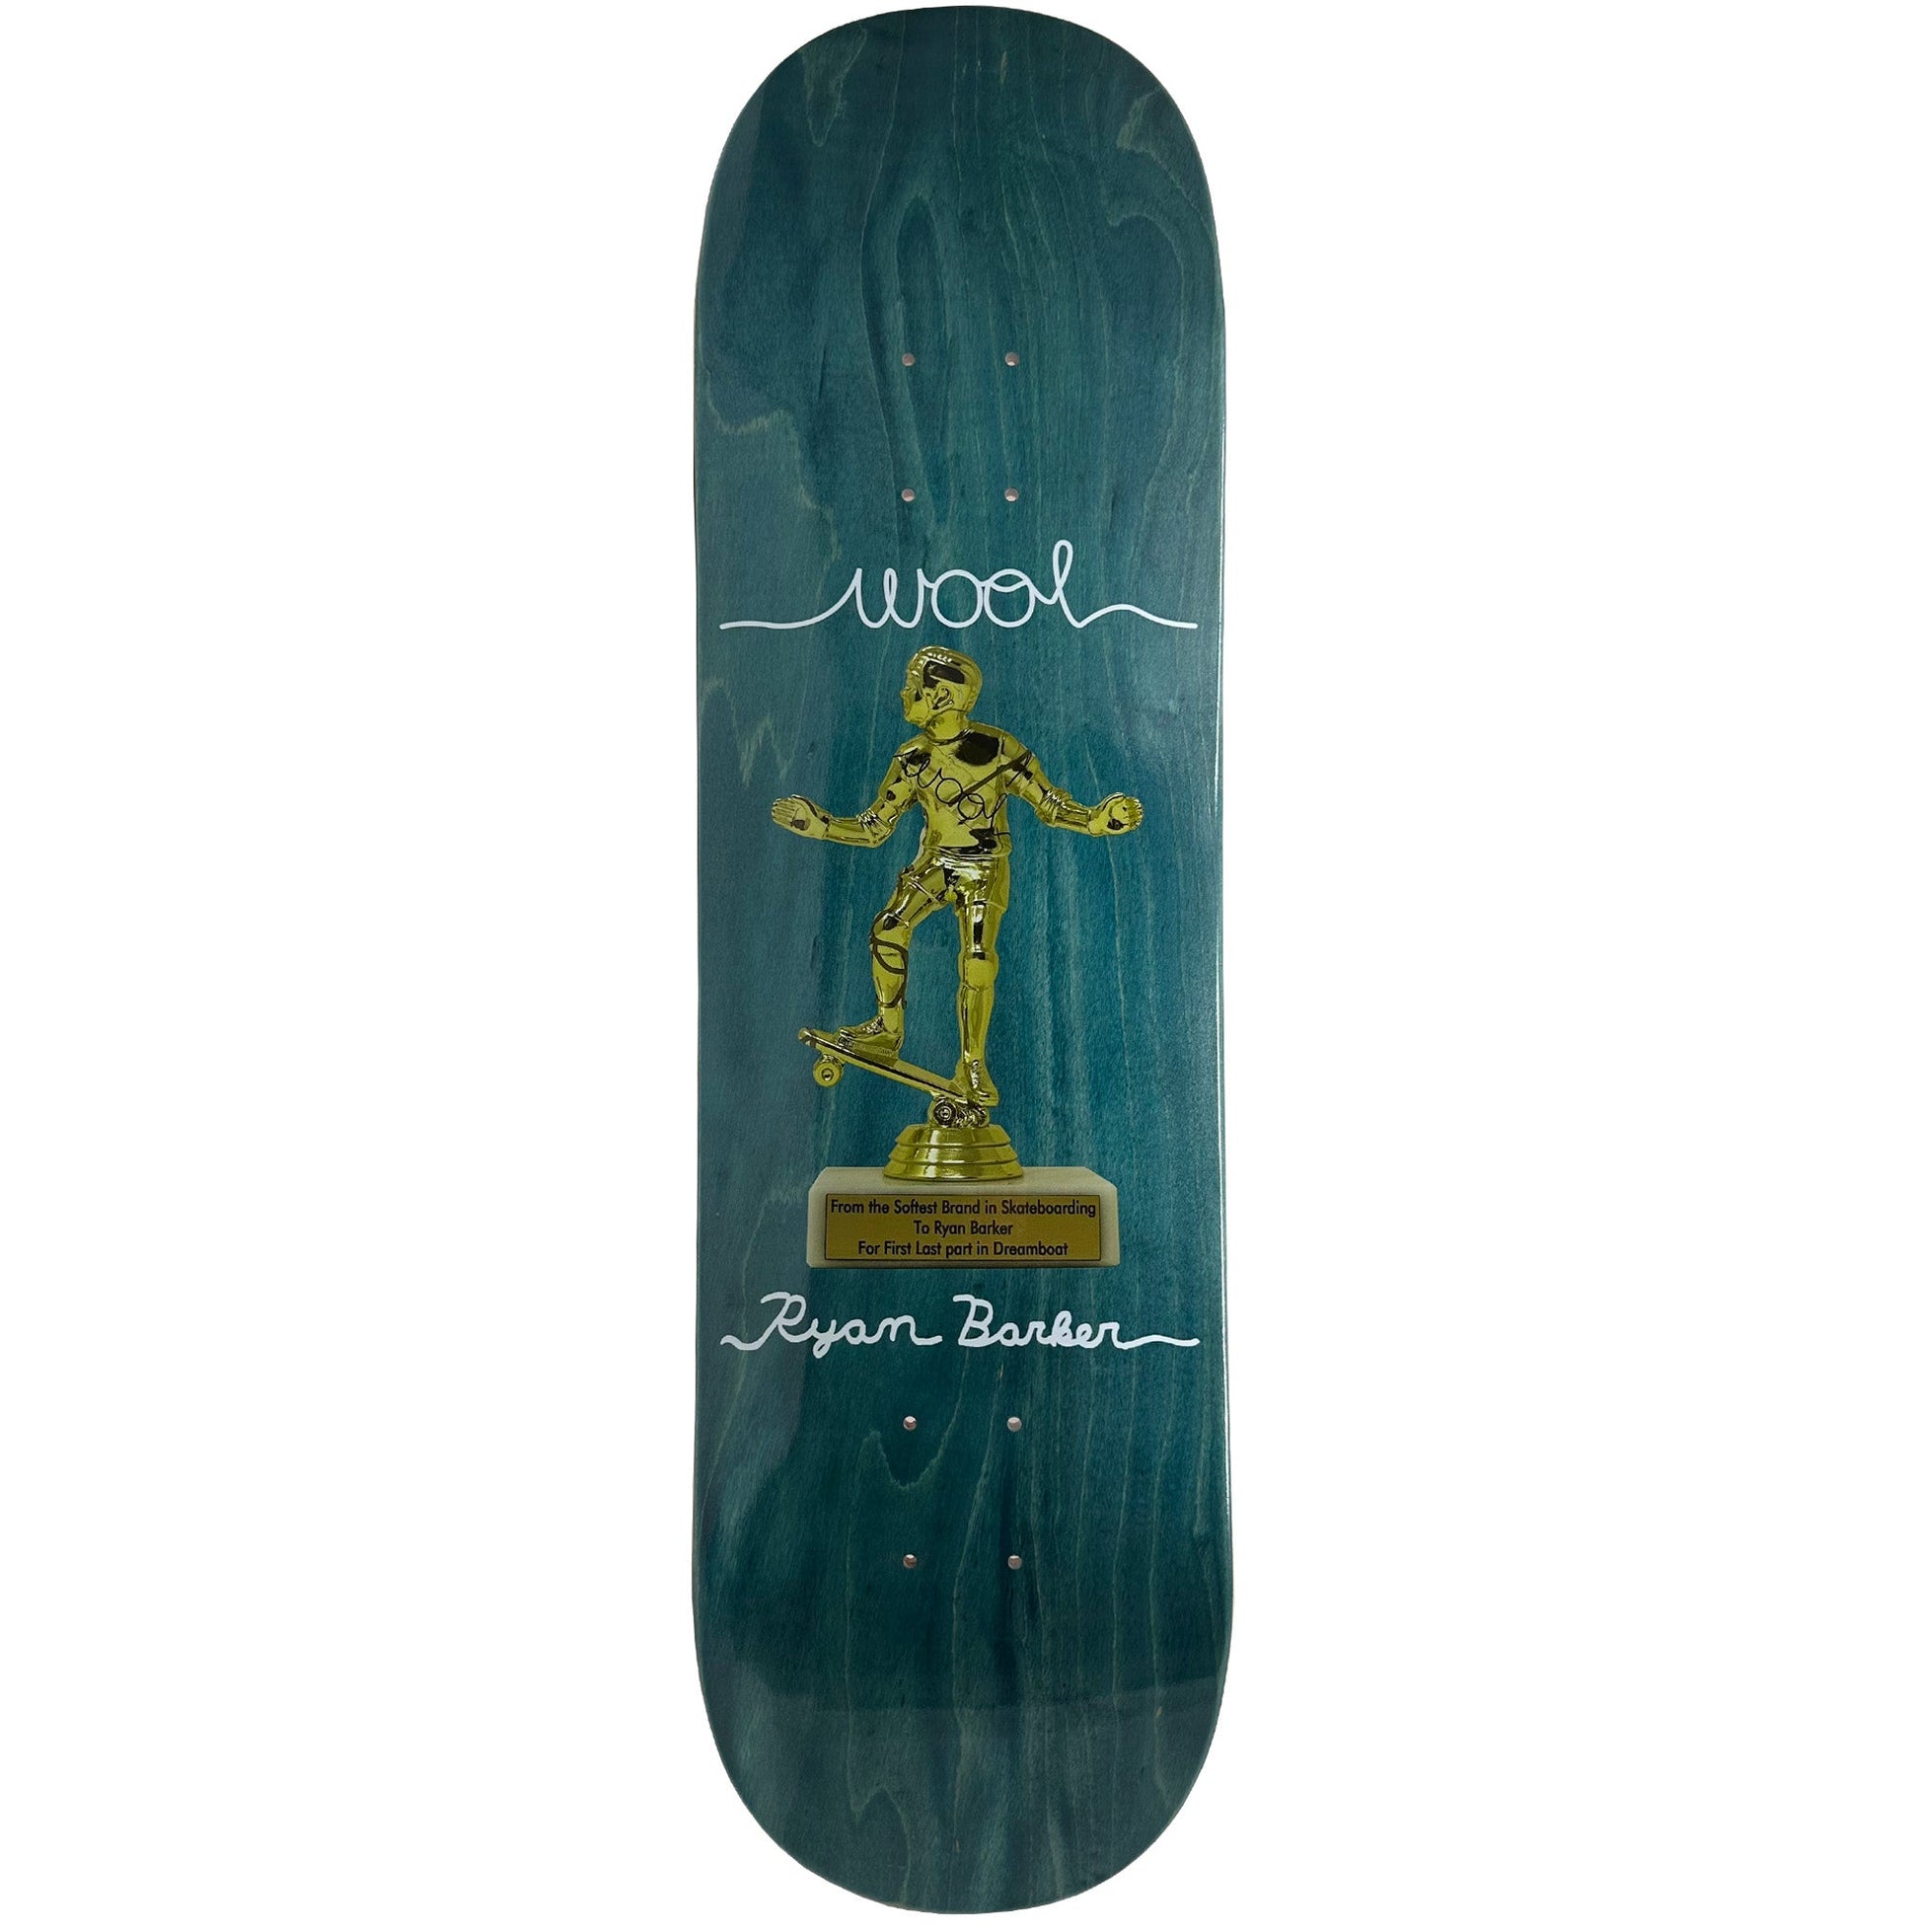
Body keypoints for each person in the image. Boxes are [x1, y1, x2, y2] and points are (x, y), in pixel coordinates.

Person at [772, 645, 1143, 1110]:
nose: (903, 694)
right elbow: (874, 827)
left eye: (913, 686)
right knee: (888, 929)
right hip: (935, 863)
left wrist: (1093, 820)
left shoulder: (997, 749)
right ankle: (887, 1030)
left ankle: (972, 1064)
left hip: (984, 869)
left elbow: (1047, 803)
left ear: (942, 697)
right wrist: (822, 826)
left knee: (978, 961)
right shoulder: (912, 758)